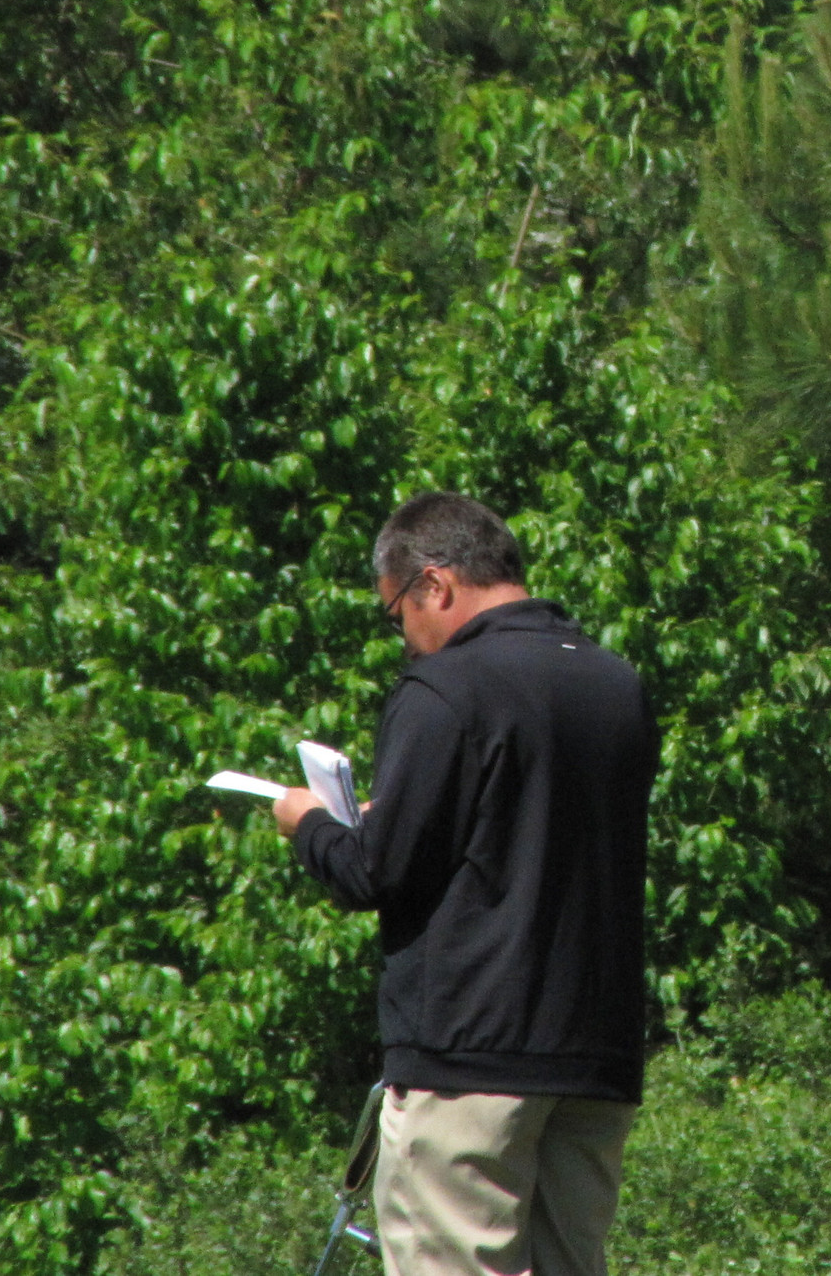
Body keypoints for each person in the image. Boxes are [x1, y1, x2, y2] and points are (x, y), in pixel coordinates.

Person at [272, 492, 661, 1276]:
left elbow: (371, 870)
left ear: (434, 584)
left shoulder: (445, 689)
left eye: (395, 615)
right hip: (595, 1058)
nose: (406, 642)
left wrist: (307, 820)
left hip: (469, 1057)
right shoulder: (618, 685)